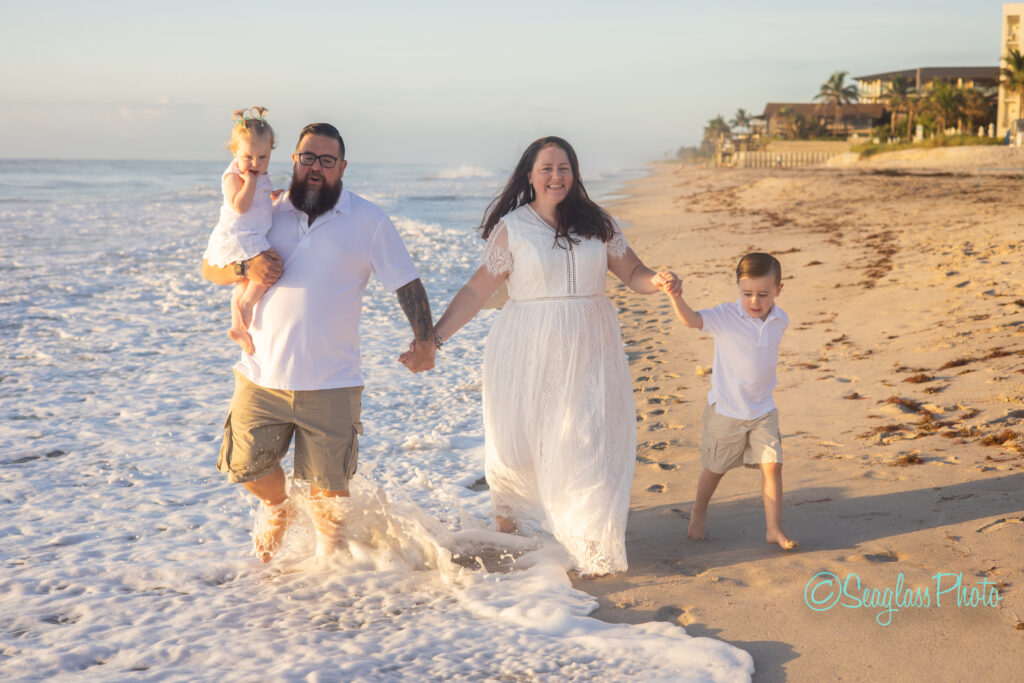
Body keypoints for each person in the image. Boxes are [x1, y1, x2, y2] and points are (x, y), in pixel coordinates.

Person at [403, 136, 680, 577]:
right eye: (547, 168)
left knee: (587, 440)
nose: (556, 176)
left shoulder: (598, 223)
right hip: (527, 348)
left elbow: (633, 274)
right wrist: (432, 339)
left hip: (591, 347)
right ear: (529, 176)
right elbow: (477, 291)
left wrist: (660, 281)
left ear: (575, 174)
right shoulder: (513, 227)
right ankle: (508, 528)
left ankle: (591, 543)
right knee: (521, 441)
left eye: (564, 168)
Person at [202, 122, 437, 563]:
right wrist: (245, 269)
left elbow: (405, 282)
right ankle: (278, 507)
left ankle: (329, 580)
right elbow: (211, 267)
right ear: (292, 160)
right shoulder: (263, 209)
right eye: (307, 157)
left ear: (342, 167)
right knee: (243, 467)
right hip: (260, 376)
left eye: (327, 161)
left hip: (332, 381)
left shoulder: (368, 220)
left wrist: (425, 341)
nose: (315, 168)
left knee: (330, 498)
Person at [662, 253, 798, 550]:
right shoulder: (725, 316)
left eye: (763, 294)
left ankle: (774, 528)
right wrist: (676, 298)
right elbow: (692, 320)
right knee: (715, 468)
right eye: (746, 293)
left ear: (778, 289)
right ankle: (699, 510)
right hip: (726, 410)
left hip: (763, 409)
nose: (754, 301)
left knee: (773, 465)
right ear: (738, 287)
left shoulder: (780, 320)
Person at [202, 106, 279, 355]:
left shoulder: (258, 174)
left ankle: (237, 327)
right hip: (240, 235)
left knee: (244, 282)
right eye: (248, 157)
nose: (255, 164)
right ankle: (247, 304)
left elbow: (260, 203)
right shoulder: (234, 178)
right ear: (235, 152)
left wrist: (272, 197)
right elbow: (241, 206)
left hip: (252, 232)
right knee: (272, 266)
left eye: (263, 158)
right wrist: (252, 183)